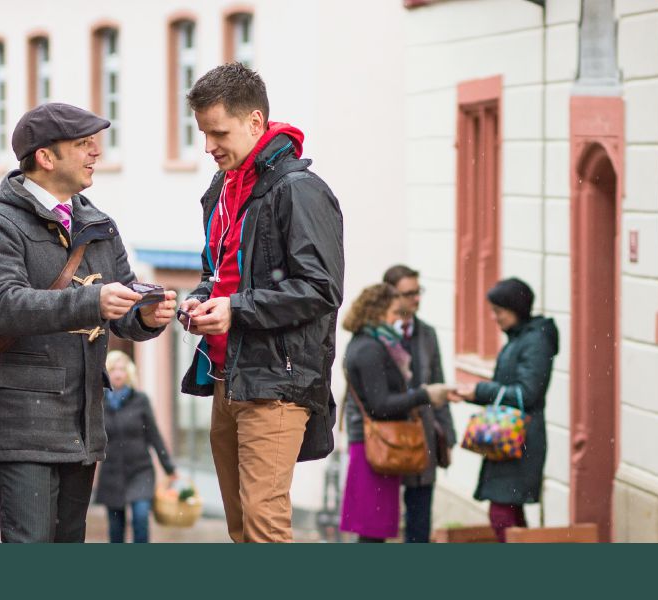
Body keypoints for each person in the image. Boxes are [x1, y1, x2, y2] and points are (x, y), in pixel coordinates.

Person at [0, 102, 177, 543]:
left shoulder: (98, 223)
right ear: (46, 157)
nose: (95, 153)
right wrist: (92, 300)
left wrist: (146, 315)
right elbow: (3, 304)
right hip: (23, 424)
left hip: (82, 424)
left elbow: (122, 309)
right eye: (83, 144)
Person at [177, 62, 344, 543]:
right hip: (228, 380)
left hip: (276, 385)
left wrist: (235, 310)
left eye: (218, 132)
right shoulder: (222, 190)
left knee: (265, 530)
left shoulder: (300, 191)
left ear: (255, 123)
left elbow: (320, 289)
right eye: (204, 133)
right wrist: (201, 300)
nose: (209, 146)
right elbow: (219, 274)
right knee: (243, 530)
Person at [339, 283, 452, 542]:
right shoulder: (369, 348)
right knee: (372, 533)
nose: (397, 320)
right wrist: (424, 395)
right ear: (377, 311)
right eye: (394, 312)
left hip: (378, 445)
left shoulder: (372, 342)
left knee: (374, 530)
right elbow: (380, 404)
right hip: (375, 446)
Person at [452, 277, 557, 542]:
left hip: (520, 440)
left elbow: (528, 393)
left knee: (502, 514)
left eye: (499, 311)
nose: (494, 317)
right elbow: (509, 388)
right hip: (509, 439)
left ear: (516, 308)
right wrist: (473, 395)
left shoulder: (534, 341)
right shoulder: (519, 339)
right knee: (510, 514)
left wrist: (481, 391)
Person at [383, 264, 456, 543]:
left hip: (422, 436)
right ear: (391, 295)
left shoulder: (427, 334)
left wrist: (447, 434)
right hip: (386, 437)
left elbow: (439, 382)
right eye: (409, 293)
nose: (416, 299)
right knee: (378, 522)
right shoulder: (376, 333)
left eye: (418, 291)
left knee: (419, 519)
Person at [94, 351, 177, 543]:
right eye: (113, 369)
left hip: (140, 471)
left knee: (140, 519)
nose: (117, 373)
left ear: (129, 372)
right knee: (116, 530)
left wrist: (169, 468)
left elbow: (154, 436)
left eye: (122, 369)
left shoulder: (140, 400)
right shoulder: (99, 402)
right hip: (112, 472)